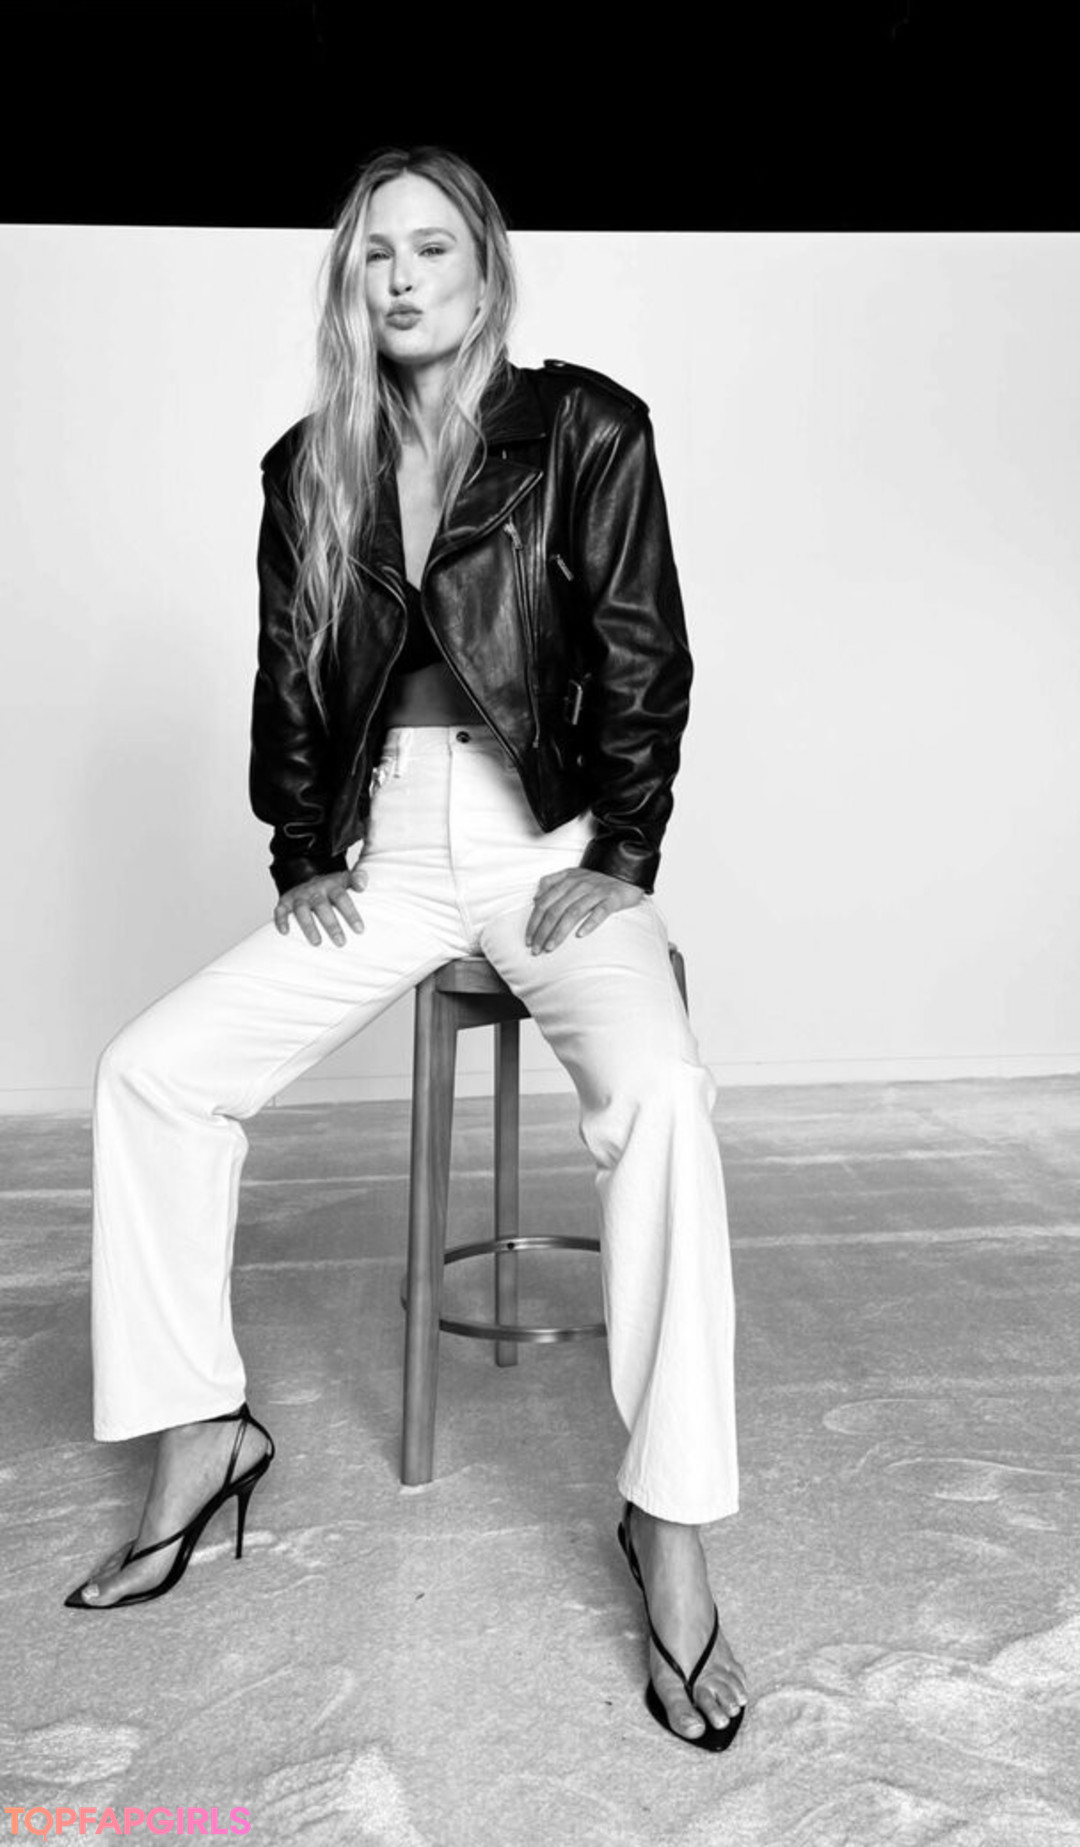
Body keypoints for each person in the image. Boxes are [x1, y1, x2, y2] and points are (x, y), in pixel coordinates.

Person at [64, 145, 748, 1751]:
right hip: (392, 843)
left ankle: (671, 1521)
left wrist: (622, 860)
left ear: (485, 268)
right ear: (349, 282)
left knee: (662, 1100)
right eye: (374, 253)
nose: (400, 276)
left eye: (431, 247)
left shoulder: (585, 428)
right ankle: (199, 1432)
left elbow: (645, 654)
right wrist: (305, 855)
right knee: (152, 1074)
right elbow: (291, 679)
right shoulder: (312, 462)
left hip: (550, 839)